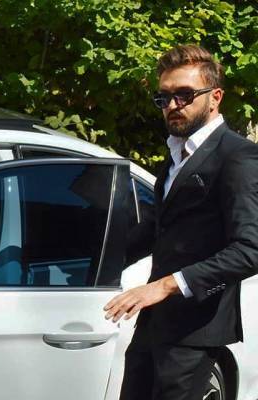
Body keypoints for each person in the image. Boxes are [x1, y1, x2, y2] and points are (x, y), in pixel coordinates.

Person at [104, 44, 258, 400]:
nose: (173, 105)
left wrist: (166, 285)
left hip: (196, 330)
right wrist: (86, 261)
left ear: (215, 97)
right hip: (152, 325)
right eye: (164, 98)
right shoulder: (177, 154)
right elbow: (154, 231)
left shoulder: (238, 157)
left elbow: (251, 249)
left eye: (185, 95)